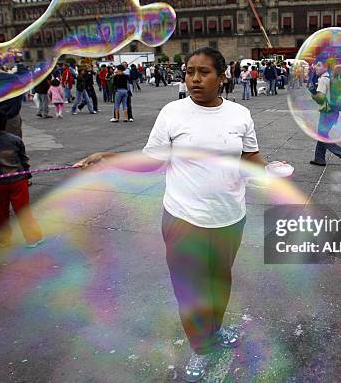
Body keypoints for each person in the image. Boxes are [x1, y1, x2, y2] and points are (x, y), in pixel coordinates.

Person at [78, 47, 267, 382]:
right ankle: (200, 347)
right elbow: (153, 159)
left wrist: (271, 174)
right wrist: (110, 157)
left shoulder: (240, 115)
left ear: (222, 77)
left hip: (229, 217)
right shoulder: (172, 112)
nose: (194, 78)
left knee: (220, 281)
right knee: (190, 290)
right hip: (183, 218)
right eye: (189, 71)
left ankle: (215, 331)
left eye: (204, 71)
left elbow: (251, 157)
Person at [0, 108, 44, 247]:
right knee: (23, 211)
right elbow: (23, 159)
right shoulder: (15, 140)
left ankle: (3, 239)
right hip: (18, 181)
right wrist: (27, 175)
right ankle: (32, 237)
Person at [308, 62, 341, 169]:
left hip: (327, 112)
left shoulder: (324, 79)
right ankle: (319, 159)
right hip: (333, 111)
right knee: (322, 135)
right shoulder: (331, 79)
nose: (315, 67)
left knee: (322, 136)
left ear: (325, 67)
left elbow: (320, 99)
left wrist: (313, 92)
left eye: (319, 65)